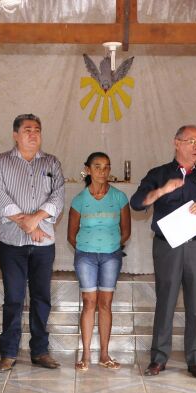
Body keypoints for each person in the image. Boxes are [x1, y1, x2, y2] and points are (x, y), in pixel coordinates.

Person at [130, 125, 196, 378]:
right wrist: (161, 191)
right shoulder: (158, 174)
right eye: (191, 141)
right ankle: (158, 358)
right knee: (166, 301)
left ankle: (195, 360)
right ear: (176, 143)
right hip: (167, 245)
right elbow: (136, 203)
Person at [0, 114, 66, 373]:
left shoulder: (52, 163)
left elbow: (58, 197)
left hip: (44, 245)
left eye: (37, 130)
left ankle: (40, 351)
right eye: (28, 130)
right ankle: (8, 352)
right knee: (14, 297)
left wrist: (35, 221)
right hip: (12, 243)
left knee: (42, 298)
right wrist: (26, 223)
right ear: (15, 134)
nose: (33, 134)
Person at [67, 151, 130, 371]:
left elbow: (126, 231)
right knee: (89, 303)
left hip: (111, 256)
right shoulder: (79, 200)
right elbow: (71, 235)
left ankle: (104, 354)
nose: (102, 171)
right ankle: (85, 355)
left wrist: (109, 247)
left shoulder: (119, 197)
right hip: (86, 256)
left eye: (106, 167)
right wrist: (88, 249)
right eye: (97, 166)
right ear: (87, 169)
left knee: (105, 304)